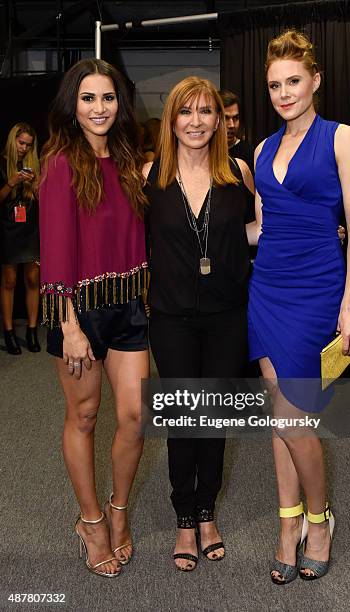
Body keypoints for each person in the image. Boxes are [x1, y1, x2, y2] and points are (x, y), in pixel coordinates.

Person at [247, 30, 350, 583]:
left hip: (318, 289)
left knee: (293, 419)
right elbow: (261, 228)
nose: (284, 92)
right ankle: (286, 524)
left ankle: (319, 521)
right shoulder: (262, 150)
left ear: (315, 80)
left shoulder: (343, 139)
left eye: (293, 81)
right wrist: (196, 229)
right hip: (266, 291)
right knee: (279, 415)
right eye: (275, 85)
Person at [39, 58, 149, 578]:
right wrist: (69, 326)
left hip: (130, 304)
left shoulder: (129, 160)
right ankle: (91, 521)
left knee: (134, 416)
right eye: (88, 98)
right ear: (73, 105)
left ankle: (119, 508)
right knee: (83, 417)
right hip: (77, 313)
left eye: (107, 98)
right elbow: (56, 248)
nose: (99, 108)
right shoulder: (60, 162)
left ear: (119, 103)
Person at [144, 76, 254, 571]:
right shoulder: (149, 176)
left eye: (206, 112)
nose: (196, 121)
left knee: (215, 420)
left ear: (219, 120)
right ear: (172, 120)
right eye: (185, 112)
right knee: (182, 420)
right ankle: (183, 518)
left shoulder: (238, 171)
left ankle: (207, 511)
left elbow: (252, 231)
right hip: (171, 319)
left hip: (229, 315)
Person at [0, 123, 40, 354]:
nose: (24, 148)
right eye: (21, 142)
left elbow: (45, 200)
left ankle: (32, 331)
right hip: (8, 228)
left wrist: (34, 186)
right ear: (13, 140)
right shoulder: (1, 162)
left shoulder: (34, 164)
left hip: (31, 228)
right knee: (9, 281)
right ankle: (9, 332)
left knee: (34, 280)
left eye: (29, 145)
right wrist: (11, 182)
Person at [219, 89, 254, 171]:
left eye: (235, 118)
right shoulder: (204, 151)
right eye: (225, 118)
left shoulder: (248, 153)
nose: (231, 125)